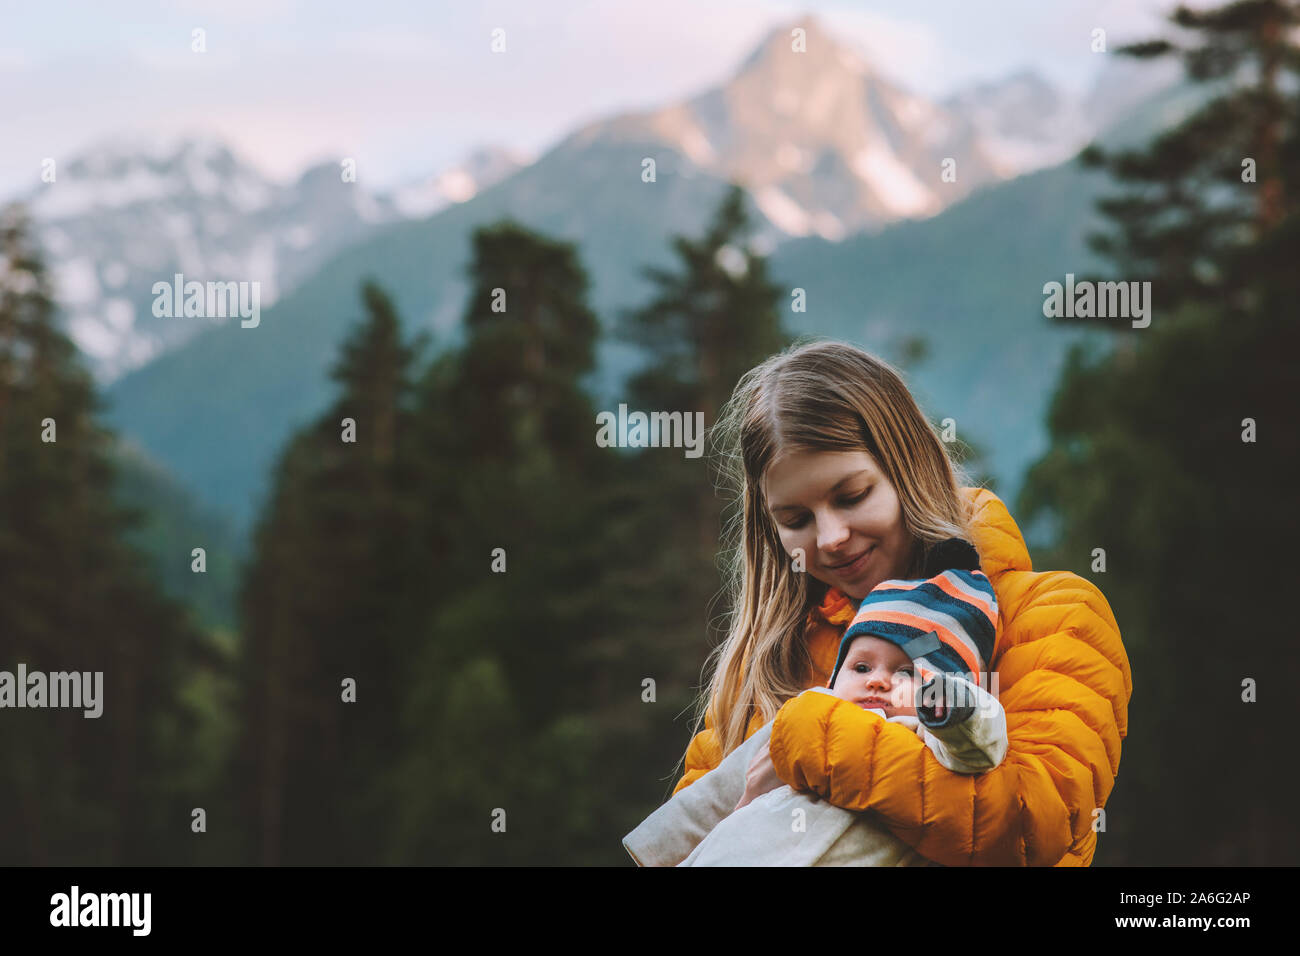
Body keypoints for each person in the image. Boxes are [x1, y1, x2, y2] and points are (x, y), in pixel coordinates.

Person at [666, 339, 1132, 866]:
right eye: (796, 519)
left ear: (910, 467)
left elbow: (1029, 825)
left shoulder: (1054, 617)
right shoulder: (763, 661)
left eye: (851, 496)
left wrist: (813, 744)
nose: (831, 536)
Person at [623, 547, 1007, 866]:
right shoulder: (808, 710)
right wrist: (659, 849)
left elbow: (980, 743)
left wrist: (953, 705)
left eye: (906, 672)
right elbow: (723, 788)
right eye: (860, 667)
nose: (877, 680)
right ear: (835, 677)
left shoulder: (926, 741)